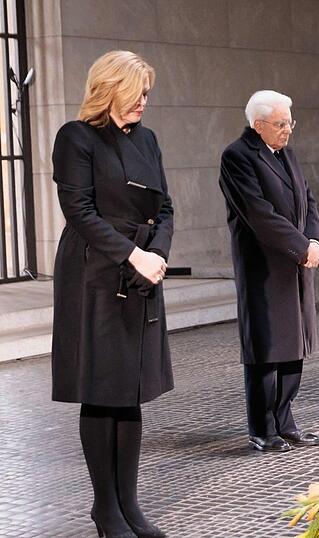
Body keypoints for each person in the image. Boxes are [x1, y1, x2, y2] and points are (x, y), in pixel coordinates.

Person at [51, 50, 172, 538]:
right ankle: (106, 510)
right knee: (102, 392)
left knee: (132, 392)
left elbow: (165, 207)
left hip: (142, 270)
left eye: (147, 92)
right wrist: (132, 255)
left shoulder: (148, 139)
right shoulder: (76, 137)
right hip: (95, 274)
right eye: (138, 91)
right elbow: (78, 210)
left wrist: (157, 253)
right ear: (111, 87)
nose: (144, 100)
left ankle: (129, 504)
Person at [219, 90, 319, 453]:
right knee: (266, 348)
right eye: (281, 124)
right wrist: (301, 247)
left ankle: (285, 419)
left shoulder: (287, 155)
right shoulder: (237, 157)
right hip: (263, 267)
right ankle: (262, 428)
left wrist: (315, 240)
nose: (288, 130)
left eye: (290, 122)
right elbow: (259, 214)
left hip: (296, 263)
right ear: (258, 124)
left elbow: (308, 200)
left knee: (294, 343)